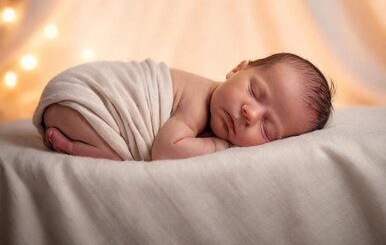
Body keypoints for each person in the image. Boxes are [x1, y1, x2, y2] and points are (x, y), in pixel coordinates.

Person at [39, 52, 335, 161]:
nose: (250, 114)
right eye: (255, 91)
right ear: (237, 69)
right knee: (125, 157)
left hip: (70, 102)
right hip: (85, 98)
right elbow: (165, 150)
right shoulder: (197, 99)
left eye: (267, 128)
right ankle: (75, 147)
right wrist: (220, 147)